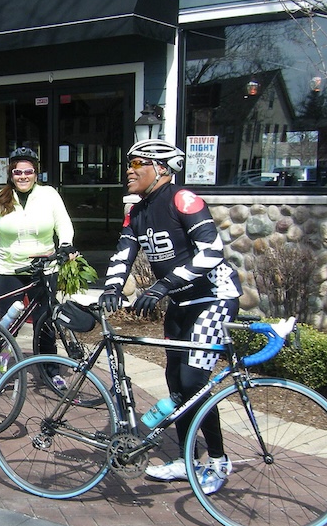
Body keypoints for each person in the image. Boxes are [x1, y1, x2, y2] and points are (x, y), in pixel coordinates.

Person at [98, 138, 242, 495]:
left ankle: (219, 461)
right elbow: (124, 252)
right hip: (180, 302)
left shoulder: (183, 198)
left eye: (136, 164)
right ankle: (187, 459)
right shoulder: (138, 210)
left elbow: (211, 252)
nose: (128, 171)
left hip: (214, 299)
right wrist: (112, 287)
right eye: (128, 164)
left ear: (160, 168)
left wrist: (163, 286)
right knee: (177, 383)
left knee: (194, 383)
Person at [0, 147, 76, 385]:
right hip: (8, 268)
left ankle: (50, 371)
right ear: (11, 174)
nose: (23, 176)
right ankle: (2, 371)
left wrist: (66, 244)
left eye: (28, 171)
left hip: (43, 268)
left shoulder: (49, 194)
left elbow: (63, 222)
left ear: (36, 173)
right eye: (17, 172)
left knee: (45, 321)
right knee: (7, 322)